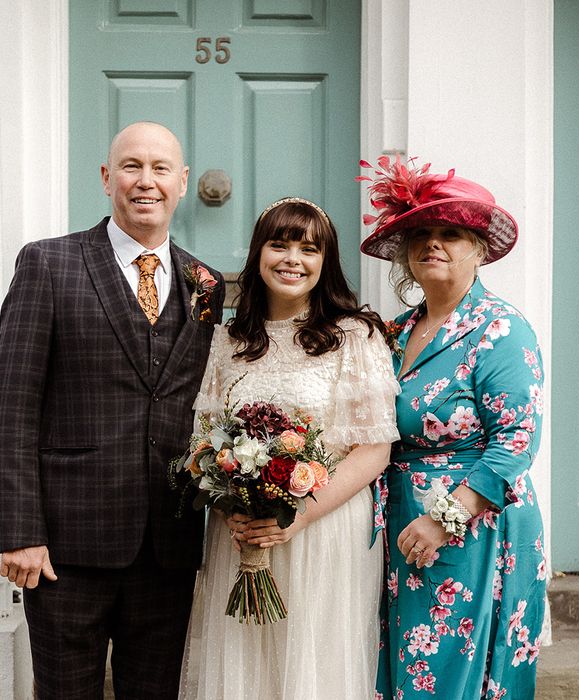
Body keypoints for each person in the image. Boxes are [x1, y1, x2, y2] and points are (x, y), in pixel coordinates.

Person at [0, 122, 225, 699]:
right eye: (131, 166)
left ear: (183, 182)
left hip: (166, 544)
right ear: (106, 177)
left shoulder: (207, 285)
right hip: (65, 545)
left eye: (161, 168)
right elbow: (12, 405)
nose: (146, 181)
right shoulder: (49, 264)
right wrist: (21, 531)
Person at [178, 198, 400, 699]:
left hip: (325, 527)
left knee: (314, 664)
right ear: (258, 254)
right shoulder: (227, 340)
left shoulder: (357, 336)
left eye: (308, 248)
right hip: (243, 533)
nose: (292, 259)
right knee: (246, 661)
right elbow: (204, 441)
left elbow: (373, 451)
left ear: (326, 261)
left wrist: (298, 516)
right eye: (279, 245)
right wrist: (228, 500)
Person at [359, 158, 547, 700]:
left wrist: (447, 518)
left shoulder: (501, 329)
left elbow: (516, 441)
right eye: (422, 234)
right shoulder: (391, 334)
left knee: (448, 679)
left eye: (450, 233)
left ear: (480, 248)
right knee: (405, 672)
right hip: (399, 524)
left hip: (474, 526)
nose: (433, 244)